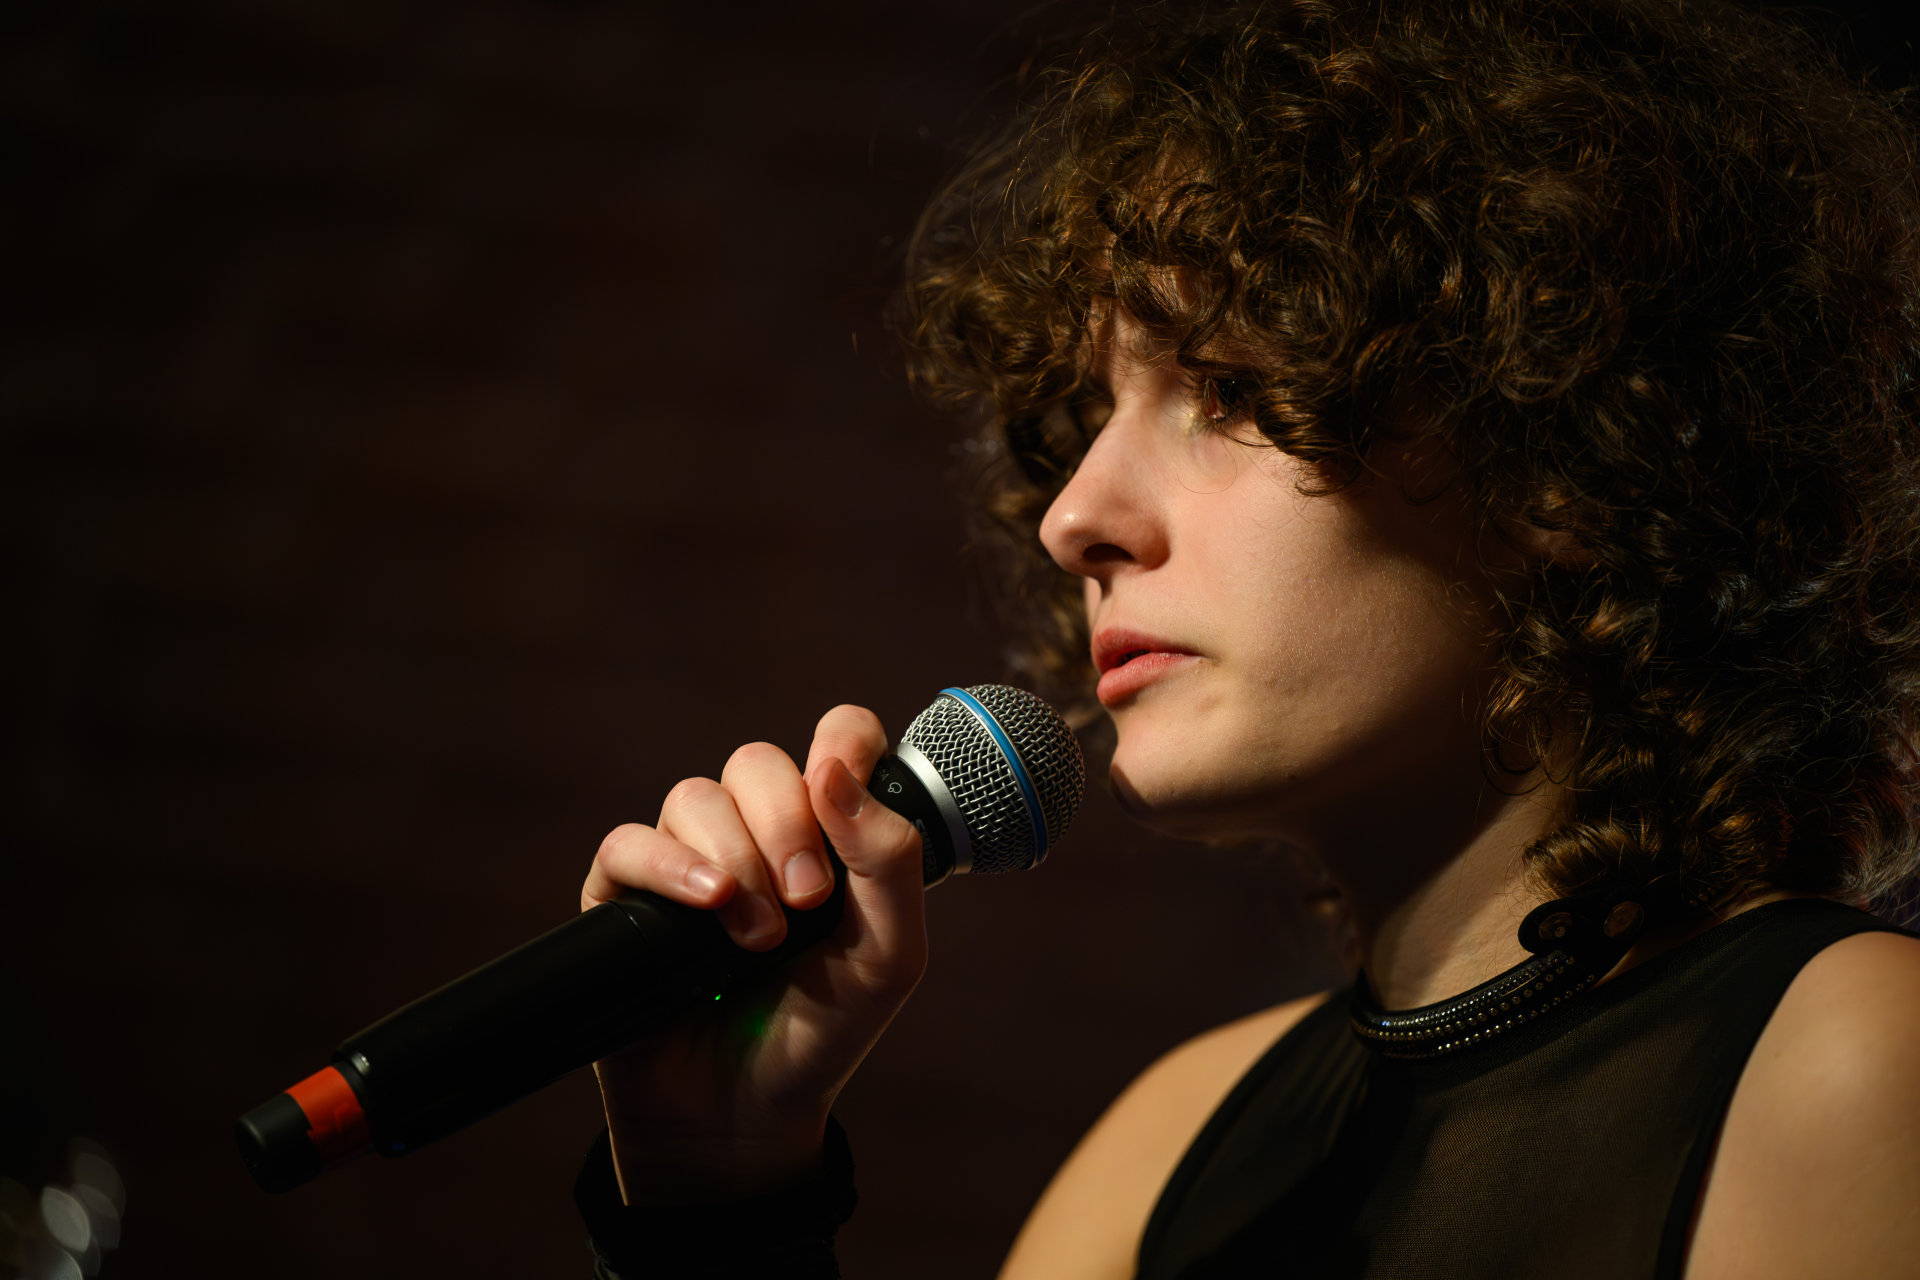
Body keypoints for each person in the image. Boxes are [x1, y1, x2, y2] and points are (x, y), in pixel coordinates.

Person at [571, 1, 1920, 1276]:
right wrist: (720, 1195)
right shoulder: (1159, 1154)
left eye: (1226, 391)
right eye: (1088, 413)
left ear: (1570, 448)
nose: (1072, 517)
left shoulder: (1854, 1056)